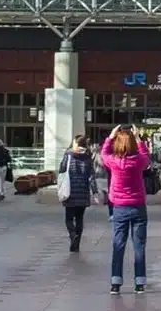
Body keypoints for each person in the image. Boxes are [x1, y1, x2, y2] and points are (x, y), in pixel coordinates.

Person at [101, 123, 152, 295]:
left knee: (118, 244)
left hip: (119, 208)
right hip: (138, 207)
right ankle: (139, 282)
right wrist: (138, 139)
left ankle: (115, 282)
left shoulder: (113, 162)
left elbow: (104, 153)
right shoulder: (138, 161)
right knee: (139, 246)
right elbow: (146, 157)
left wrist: (110, 137)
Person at [59, 133, 96, 251]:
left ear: (76, 143)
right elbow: (91, 176)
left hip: (70, 191)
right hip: (83, 192)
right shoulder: (88, 157)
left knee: (69, 218)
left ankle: (72, 234)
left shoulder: (68, 155)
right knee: (79, 218)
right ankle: (76, 245)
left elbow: (62, 169)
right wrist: (94, 191)